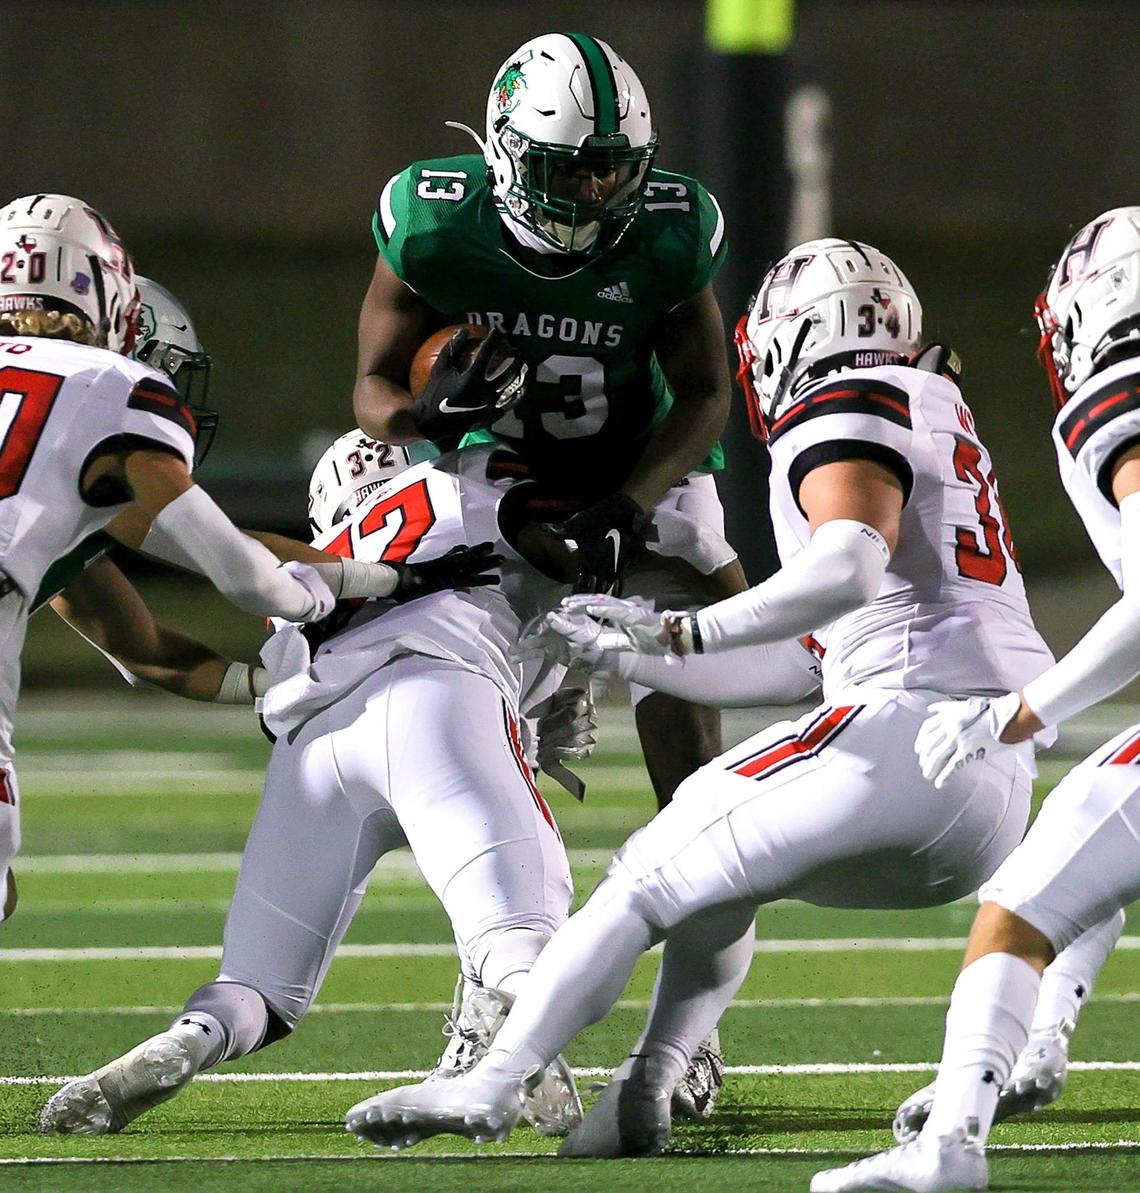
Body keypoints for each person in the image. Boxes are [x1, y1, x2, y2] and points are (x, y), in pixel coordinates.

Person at [339, 237, 1069, 1160]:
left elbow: (847, 566)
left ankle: (492, 1081)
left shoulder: (845, 399)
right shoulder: (933, 412)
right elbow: (810, 658)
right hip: (987, 786)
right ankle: (647, 1085)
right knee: (714, 867)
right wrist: (636, 656)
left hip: (905, 734)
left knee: (648, 872)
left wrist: (683, 631)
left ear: (798, 333)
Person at [40, 432, 740, 1137]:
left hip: (311, 741)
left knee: (257, 987)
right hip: (442, 699)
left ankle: (192, 1035)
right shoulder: (485, 487)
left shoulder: (313, 556)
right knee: (518, 939)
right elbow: (615, 575)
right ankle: (526, 1050)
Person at [352, 31, 744, 1115]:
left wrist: (630, 506)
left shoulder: (668, 231)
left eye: (614, 165)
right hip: (502, 468)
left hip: (643, 465)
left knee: (694, 706)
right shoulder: (435, 218)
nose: (596, 186)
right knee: (475, 715)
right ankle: (496, 987)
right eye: (571, 164)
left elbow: (706, 391)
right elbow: (377, 383)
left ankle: (691, 1030)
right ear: (506, 150)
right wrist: (425, 423)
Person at [0, 196, 484, 924]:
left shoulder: (41, 493)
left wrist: (276, 672)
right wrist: (322, 608)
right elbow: (239, 569)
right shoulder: (103, 387)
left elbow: (138, 641)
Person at [810, 207, 1140, 1192]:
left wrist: (1019, 709)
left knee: (1019, 899)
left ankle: (950, 1147)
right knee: (1068, 842)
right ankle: (1024, 1058)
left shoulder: (1119, 394)